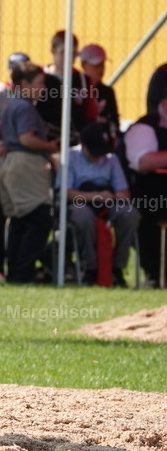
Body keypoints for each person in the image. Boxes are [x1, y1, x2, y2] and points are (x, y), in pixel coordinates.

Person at [0, 63, 58, 284]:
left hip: (12, 164)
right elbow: (26, 139)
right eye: (40, 83)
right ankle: (23, 270)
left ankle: (16, 270)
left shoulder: (13, 105)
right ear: (24, 84)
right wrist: (50, 146)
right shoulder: (25, 108)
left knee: (20, 221)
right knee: (39, 219)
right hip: (25, 165)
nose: (43, 88)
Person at [61, 124, 138, 287]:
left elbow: (124, 193)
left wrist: (110, 197)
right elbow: (65, 192)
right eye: (94, 152)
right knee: (83, 217)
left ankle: (117, 268)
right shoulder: (69, 157)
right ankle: (90, 269)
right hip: (79, 204)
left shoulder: (112, 159)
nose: (98, 158)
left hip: (108, 205)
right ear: (83, 145)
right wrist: (95, 196)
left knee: (130, 214)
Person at [0, 51, 32, 279]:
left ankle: (14, 264)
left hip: (19, 164)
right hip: (0, 161)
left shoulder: (25, 95)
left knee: (18, 213)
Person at [120, 94, 167, 287]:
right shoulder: (145, 127)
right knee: (146, 220)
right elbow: (143, 162)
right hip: (146, 193)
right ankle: (154, 275)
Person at [77, 44, 121, 139]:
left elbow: (114, 120)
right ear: (84, 65)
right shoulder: (77, 90)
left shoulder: (107, 92)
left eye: (102, 65)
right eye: (96, 66)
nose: (101, 69)